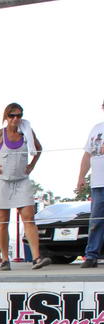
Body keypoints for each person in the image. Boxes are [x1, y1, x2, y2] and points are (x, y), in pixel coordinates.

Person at [0, 102, 48, 271]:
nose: (15, 118)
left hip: (21, 180)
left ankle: (37, 257)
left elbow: (39, 148)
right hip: (2, 181)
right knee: (2, 221)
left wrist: (32, 165)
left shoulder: (26, 133)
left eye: (19, 115)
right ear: (6, 117)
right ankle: (5, 258)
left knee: (29, 217)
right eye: (12, 115)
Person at [75, 102, 104, 268]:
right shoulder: (96, 128)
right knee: (96, 221)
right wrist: (81, 177)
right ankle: (91, 255)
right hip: (98, 183)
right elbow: (87, 155)